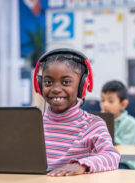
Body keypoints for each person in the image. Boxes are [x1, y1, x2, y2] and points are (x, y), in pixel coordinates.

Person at [33, 48, 120, 176]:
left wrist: (81, 165)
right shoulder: (34, 125)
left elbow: (112, 156)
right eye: (48, 82)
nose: (56, 89)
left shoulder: (93, 124)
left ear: (82, 86)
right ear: (40, 85)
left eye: (66, 82)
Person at [100, 80, 135, 170]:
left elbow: (124, 148)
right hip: (102, 162)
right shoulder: (96, 121)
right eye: (102, 100)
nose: (105, 104)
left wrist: (106, 130)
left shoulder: (131, 123)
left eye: (110, 101)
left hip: (123, 164)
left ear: (123, 104)